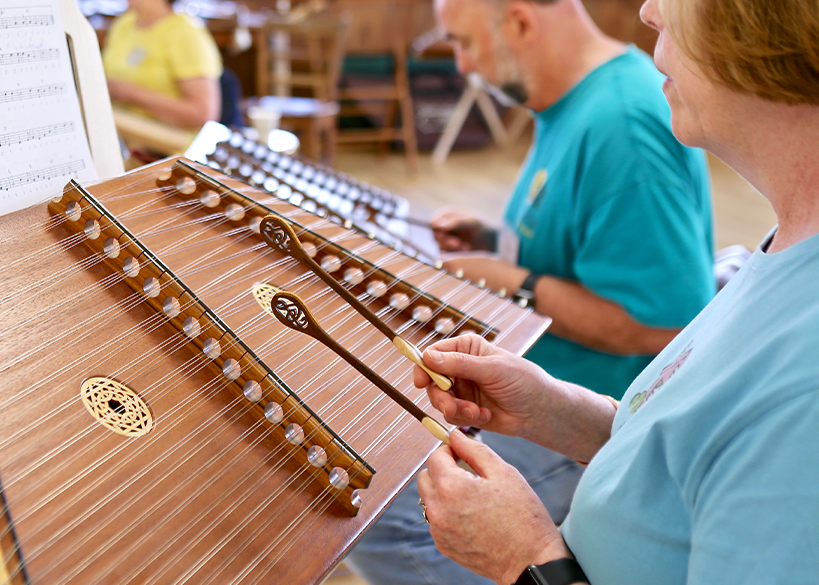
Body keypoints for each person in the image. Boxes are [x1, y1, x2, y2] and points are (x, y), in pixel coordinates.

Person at [414, 0, 819, 582]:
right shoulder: (790, 242)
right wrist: (557, 411)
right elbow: (689, 445)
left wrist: (526, 561)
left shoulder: (804, 387)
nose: (651, 11)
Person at [345, 0, 714, 583]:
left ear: (520, 21)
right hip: (540, 382)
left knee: (377, 513)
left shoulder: (622, 124)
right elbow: (589, 239)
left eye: (465, 43)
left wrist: (515, 283)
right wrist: (496, 238)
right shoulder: (576, 101)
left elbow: (663, 322)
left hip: (601, 412)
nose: (463, 66)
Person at [101, 0, 222, 145]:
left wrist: (133, 94)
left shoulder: (185, 32)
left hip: (165, 146)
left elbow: (202, 114)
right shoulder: (123, 23)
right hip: (121, 134)